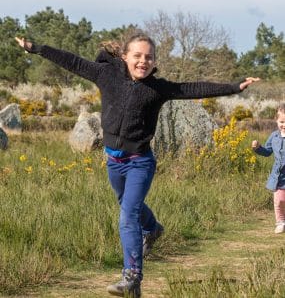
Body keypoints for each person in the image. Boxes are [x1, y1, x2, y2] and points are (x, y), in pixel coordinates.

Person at [15, 34, 259, 298]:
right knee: (128, 206)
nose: (143, 61)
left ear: (154, 62)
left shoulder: (158, 88)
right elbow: (72, 61)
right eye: (138, 56)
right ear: (125, 57)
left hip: (140, 162)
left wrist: (234, 87)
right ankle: (153, 228)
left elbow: (192, 88)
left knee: (128, 215)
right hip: (113, 162)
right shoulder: (105, 74)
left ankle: (132, 278)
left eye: (149, 57)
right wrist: (37, 49)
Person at [252, 103, 285, 234]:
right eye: (282, 121)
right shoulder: (274, 136)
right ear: (277, 121)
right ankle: (280, 222)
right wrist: (258, 148)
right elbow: (267, 152)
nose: (284, 125)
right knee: (279, 200)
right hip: (278, 176)